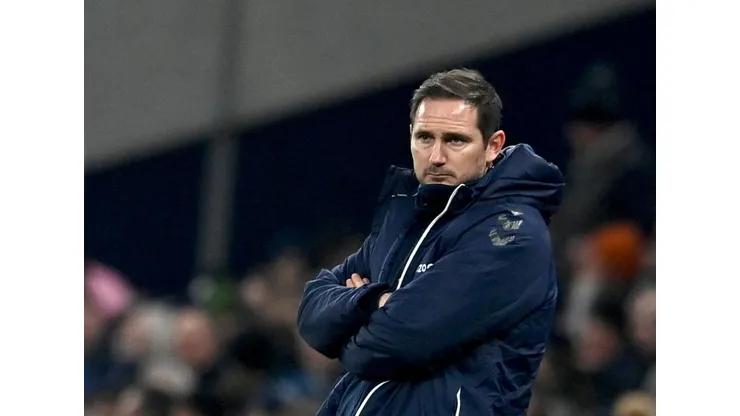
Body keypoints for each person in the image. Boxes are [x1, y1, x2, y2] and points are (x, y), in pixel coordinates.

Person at [297, 68, 565, 415]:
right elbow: (312, 311)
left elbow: (400, 339)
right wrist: (373, 300)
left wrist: (348, 335)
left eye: (455, 140)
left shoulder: (512, 233)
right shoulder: (403, 220)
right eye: (425, 137)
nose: (436, 156)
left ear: (493, 146)